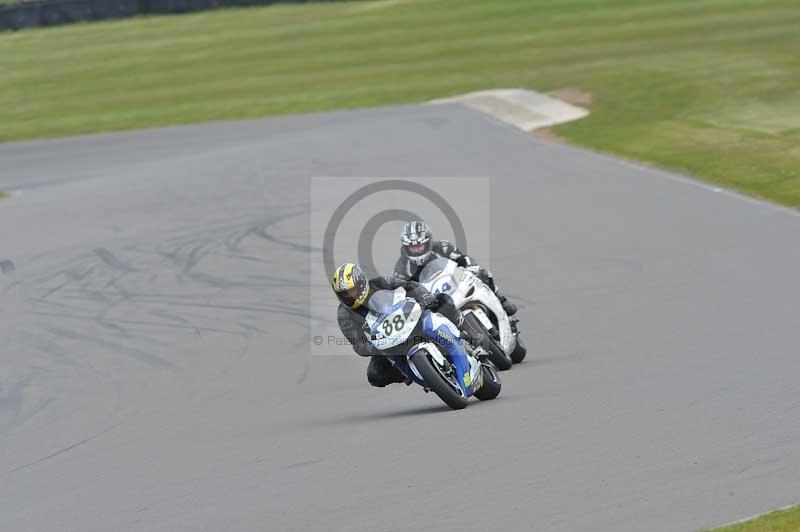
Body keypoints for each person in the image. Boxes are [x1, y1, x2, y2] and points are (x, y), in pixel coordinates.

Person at [331, 262, 472, 388]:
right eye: (344, 294)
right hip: (385, 341)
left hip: (408, 317)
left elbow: (408, 286)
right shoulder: (344, 314)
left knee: (441, 300)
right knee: (375, 375)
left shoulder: (379, 283)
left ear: (361, 283)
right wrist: (368, 346)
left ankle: (465, 330)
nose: (349, 296)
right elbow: (356, 342)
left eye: (352, 291)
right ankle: (407, 373)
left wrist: (424, 296)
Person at [392, 220, 517, 316]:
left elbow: (464, 259)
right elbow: (400, 293)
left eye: (419, 245)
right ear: (405, 247)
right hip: (434, 298)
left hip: (455, 281)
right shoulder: (402, 267)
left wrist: (471, 266)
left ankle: (500, 300)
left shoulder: (443, 247)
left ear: (428, 242)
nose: (416, 250)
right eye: (412, 247)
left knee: (483, 273)